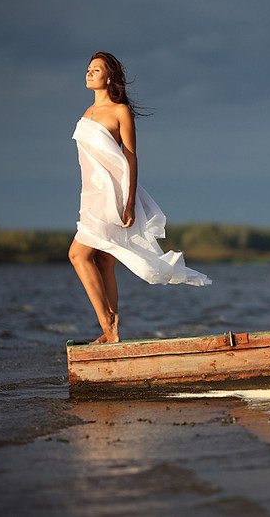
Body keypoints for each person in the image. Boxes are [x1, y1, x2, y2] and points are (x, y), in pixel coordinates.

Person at [69, 51, 211, 344]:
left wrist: (130, 201)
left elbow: (130, 157)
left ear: (109, 78)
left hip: (114, 195)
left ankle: (108, 323)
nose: (89, 73)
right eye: (88, 69)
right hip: (91, 195)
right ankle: (111, 332)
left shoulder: (120, 111)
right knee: (105, 262)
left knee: (77, 255)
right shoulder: (85, 114)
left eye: (96, 70)